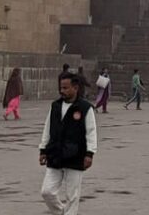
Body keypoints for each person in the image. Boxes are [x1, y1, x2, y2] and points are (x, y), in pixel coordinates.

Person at [39, 73, 97, 215]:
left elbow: (91, 132)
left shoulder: (85, 108)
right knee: (47, 192)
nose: (62, 91)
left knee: (72, 196)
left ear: (75, 88)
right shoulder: (55, 106)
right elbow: (47, 128)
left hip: (76, 155)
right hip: (55, 154)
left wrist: (90, 153)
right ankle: (61, 212)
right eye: (61, 88)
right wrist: (43, 149)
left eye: (65, 88)